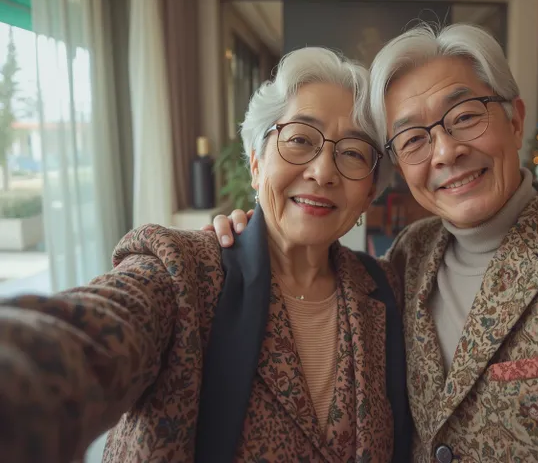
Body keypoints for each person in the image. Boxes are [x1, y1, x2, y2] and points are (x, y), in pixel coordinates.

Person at [211, 23, 538, 463]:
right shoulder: (405, 261)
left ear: (515, 118)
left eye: (464, 117)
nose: (444, 152)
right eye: (413, 138)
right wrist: (255, 233)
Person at [0, 47, 411, 463]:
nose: (323, 172)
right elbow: (87, 338)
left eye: (354, 153)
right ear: (255, 163)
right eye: (300, 140)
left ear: (370, 192)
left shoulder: (383, 288)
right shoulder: (183, 270)